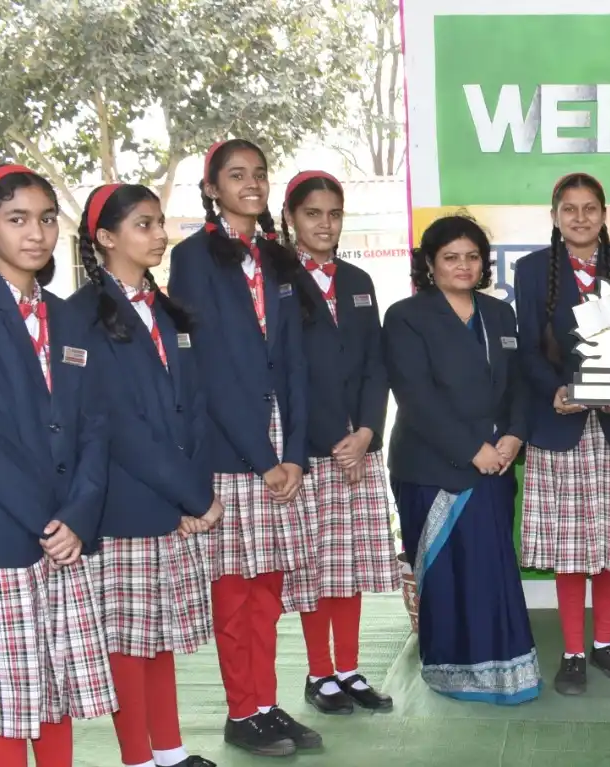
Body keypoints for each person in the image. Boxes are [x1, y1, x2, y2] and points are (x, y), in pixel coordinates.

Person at [0, 165, 115, 766]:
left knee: (57, 690)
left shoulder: (70, 317)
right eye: (16, 219)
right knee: (8, 703)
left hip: (66, 531)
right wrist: (48, 523)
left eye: (44, 219)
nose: (35, 233)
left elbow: (94, 424)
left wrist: (80, 514)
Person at [167, 138, 322, 757]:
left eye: (259, 174)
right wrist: (263, 458)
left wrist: (297, 455)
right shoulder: (193, 258)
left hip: (282, 443)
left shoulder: (277, 258)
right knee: (234, 591)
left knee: (270, 589)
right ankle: (240, 713)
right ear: (212, 188)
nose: (251, 184)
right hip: (234, 449)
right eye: (237, 176)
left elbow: (295, 363)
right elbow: (208, 367)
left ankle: (265, 703)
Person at [72, 183, 221, 767]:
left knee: (158, 637)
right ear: (106, 238)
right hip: (124, 505)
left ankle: (170, 750)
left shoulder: (166, 310)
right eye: (143, 225)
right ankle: (137, 757)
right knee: (127, 646)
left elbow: (197, 405)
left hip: (173, 504)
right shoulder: (80, 316)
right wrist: (191, 496)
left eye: (160, 223)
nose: (159, 235)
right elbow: (119, 428)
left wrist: (194, 496)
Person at [513, 173, 610, 696]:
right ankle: (573, 652)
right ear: (555, 215)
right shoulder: (532, 271)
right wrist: (556, 390)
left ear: (604, 213)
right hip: (561, 424)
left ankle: (604, 643)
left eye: (590, 208)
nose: (580, 218)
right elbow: (526, 348)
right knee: (570, 544)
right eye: (569, 209)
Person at [384, 214, 540, 705]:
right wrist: (473, 450)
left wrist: (514, 436)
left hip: (496, 465)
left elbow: (518, 386)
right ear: (430, 264)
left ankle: (506, 668)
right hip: (434, 469)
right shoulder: (406, 315)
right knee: (454, 573)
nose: (463, 265)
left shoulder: (499, 315)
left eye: (472, 256)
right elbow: (415, 395)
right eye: (451, 257)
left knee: (491, 567)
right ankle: (454, 670)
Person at [278, 171, 399, 715]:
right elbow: (287, 374)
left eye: (333, 214)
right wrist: (334, 442)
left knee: (347, 565)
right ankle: (318, 673)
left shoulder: (357, 280)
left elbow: (377, 363)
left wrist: (368, 432)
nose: (324, 224)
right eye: (313, 214)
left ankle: (348, 669)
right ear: (291, 219)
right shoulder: (276, 282)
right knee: (315, 568)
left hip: (360, 447)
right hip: (308, 451)